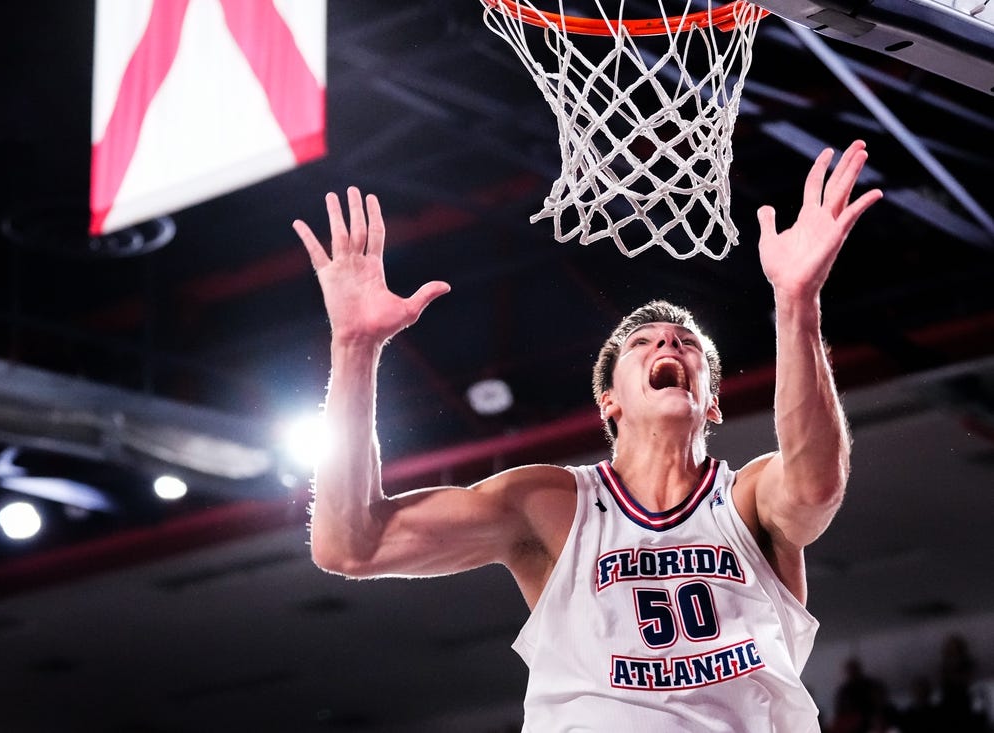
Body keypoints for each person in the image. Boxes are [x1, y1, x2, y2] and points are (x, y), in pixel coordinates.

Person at [294, 140, 883, 731]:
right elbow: (351, 545)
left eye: (687, 345)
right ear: (610, 401)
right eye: (643, 342)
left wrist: (796, 302)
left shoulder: (750, 499)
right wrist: (354, 347)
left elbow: (816, 484)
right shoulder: (550, 505)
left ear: (712, 405)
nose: (669, 344)